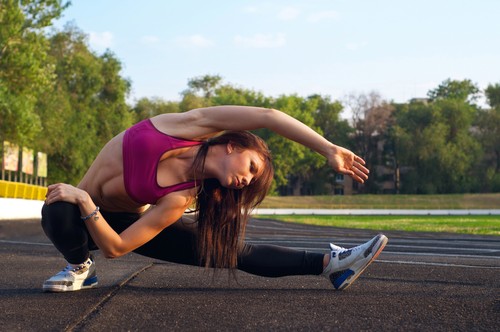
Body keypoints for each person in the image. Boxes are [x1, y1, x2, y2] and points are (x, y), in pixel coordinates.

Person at [41, 105, 388, 293]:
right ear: (232, 145)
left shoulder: (180, 197)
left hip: (114, 223)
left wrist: (87, 202)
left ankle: (332, 264)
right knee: (57, 209)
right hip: (78, 221)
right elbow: (268, 117)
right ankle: (80, 266)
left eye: (251, 180)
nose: (246, 180)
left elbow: (117, 247)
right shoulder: (184, 127)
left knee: (230, 252)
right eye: (251, 167)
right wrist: (327, 148)